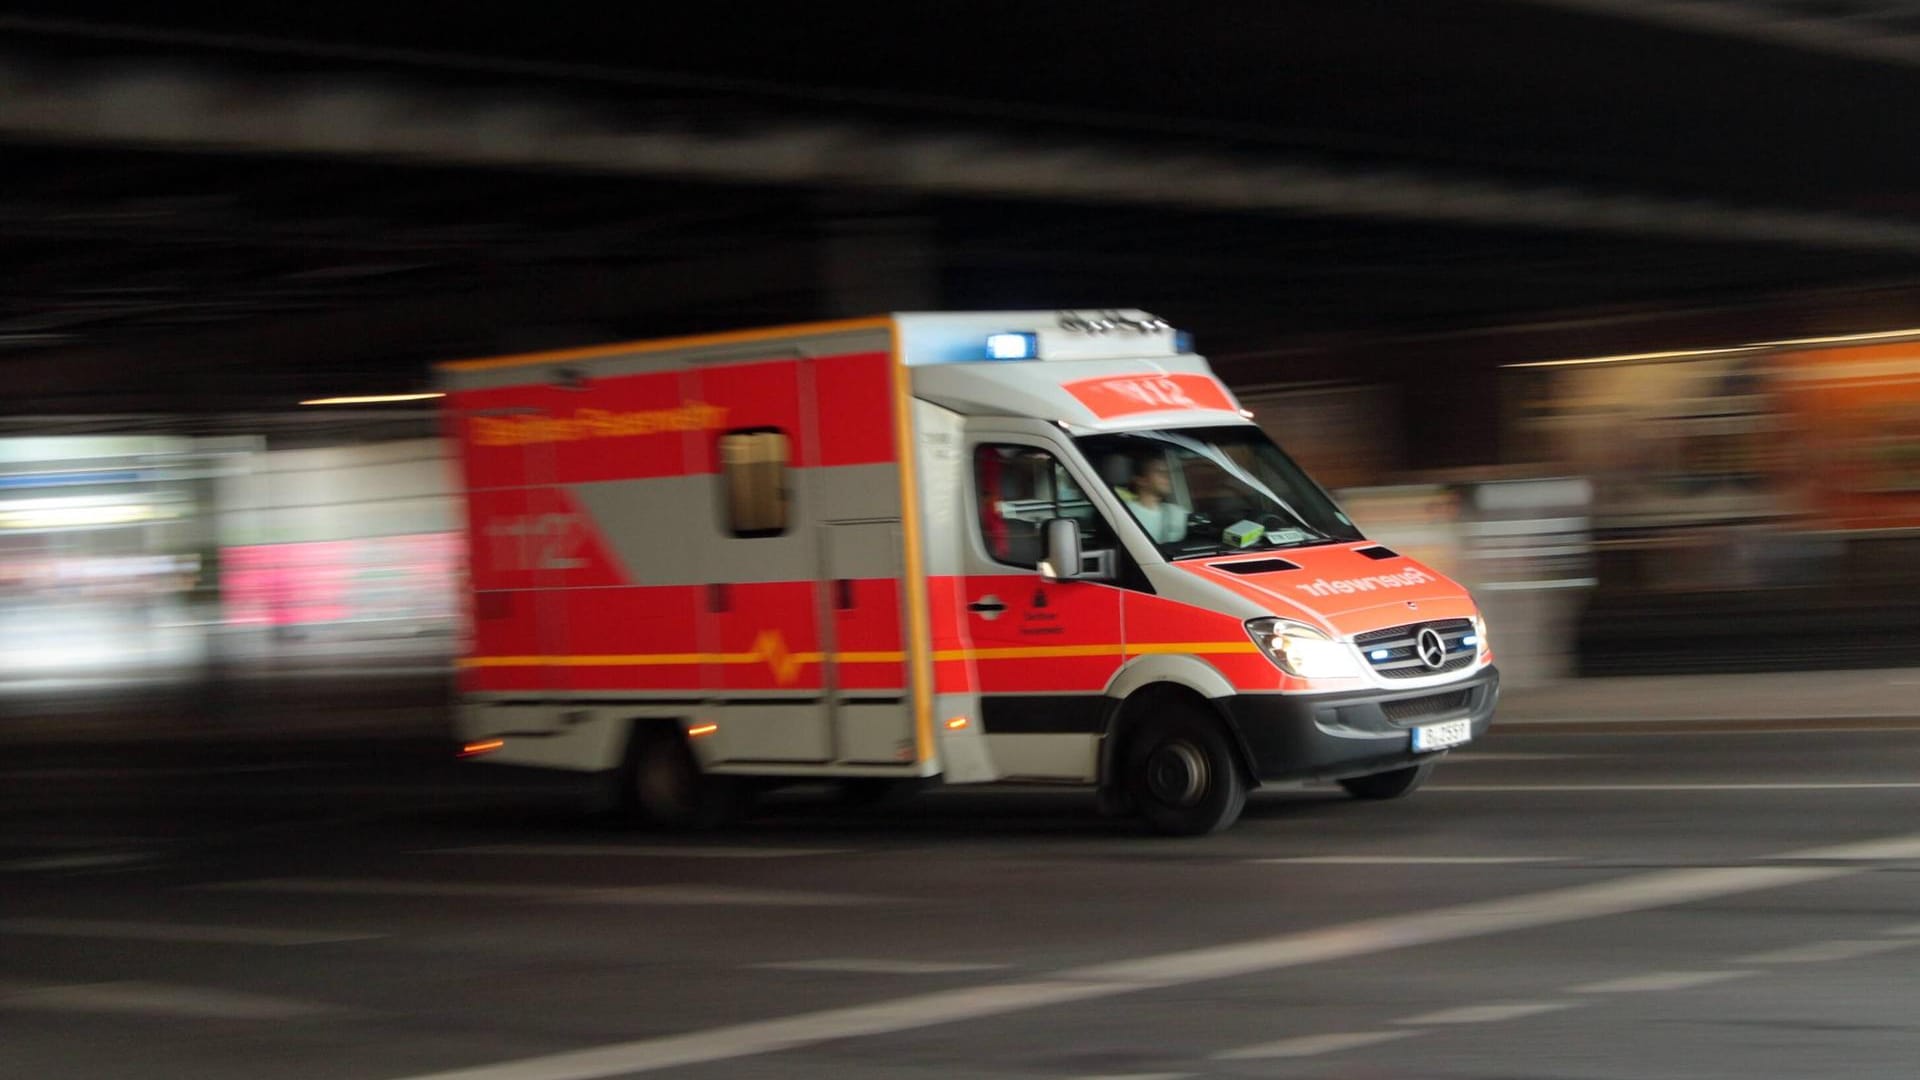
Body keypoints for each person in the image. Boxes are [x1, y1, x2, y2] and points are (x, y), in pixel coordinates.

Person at [1120, 455, 1188, 543]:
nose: (1167, 476)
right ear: (1141, 480)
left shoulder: (1177, 512)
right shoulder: (1124, 513)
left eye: (1167, 472)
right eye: (1159, 471)